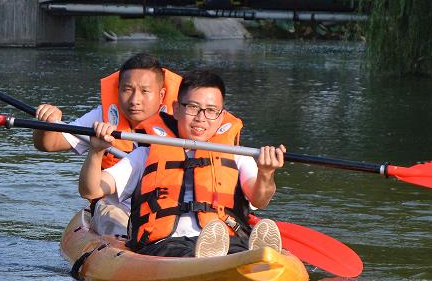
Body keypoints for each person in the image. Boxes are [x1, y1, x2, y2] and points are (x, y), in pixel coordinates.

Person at [78, 69, 284, 258]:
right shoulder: (145, 155)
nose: (201, 118)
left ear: (221, 116)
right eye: (193, 107)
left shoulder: (237, 156)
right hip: (165, 245)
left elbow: (260, 199)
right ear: (176, 109)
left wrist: (266, 173)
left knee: (235, 248)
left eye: (211, 110)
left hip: (228, 241)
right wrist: (96, 152)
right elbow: (91, 190)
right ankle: (216, 261)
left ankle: (253, 257)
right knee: (187, 253)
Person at [32, 54, 182, 236]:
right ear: (118, 90)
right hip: (114, 206)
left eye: (144, 91)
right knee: (114, 216)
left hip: (164, 209)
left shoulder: (181, 123)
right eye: (128, 89)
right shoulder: (104, 117)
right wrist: (46, 124)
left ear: (161, 95)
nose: (135, 100)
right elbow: (49, 144)